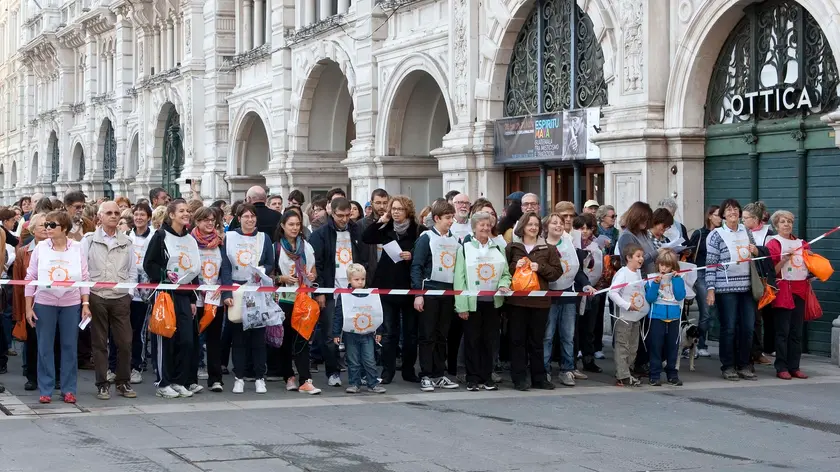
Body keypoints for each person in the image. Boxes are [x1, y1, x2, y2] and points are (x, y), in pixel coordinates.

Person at [25, 210, 91, 404]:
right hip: (45, 302)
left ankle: (68, 389)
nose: (47, 229)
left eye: (52, 225)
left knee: (70, 346)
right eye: (46, 225)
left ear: (64, 228)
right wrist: (29, 307)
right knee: (44, 346)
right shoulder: (41, 248)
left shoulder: (77, 247)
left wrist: (85, 303)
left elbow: (85, 277)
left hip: (71, 303)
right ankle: (45, 389)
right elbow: (30, 278)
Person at [144, 200, 202, 399]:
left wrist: (194, 298)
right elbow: (148, 264)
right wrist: (165, 275)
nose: (186, 214)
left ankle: (179, 380)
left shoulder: (190, 239)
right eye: (181, 211)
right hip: (165, 295)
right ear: (171, 215)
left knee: (186, 340)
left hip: (185, 295)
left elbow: (194, 270)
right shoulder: (160, 236)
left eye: (188, 211)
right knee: (166, 338)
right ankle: (163, 382)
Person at [82, 202, 139, 400]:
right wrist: (86, 298)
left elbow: (133, 270)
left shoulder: (127, 241)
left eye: (116, 213)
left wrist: (129, 293)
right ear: (100, 217)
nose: (114, 216)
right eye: (109, 213)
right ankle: (102, 384)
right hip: (97, 296)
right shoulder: (88, 240)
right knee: (99, 343)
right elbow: (83, 269)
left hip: (120, 297)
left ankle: (123, 382)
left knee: (125, 342)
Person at [362, 195, 420, 384]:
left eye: (399, 209)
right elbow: (366, 237)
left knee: (410, 333)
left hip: (408, 286)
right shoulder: (386, 228)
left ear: (407, 211)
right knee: (389, 332)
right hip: (386, 284)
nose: (395, 212)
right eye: (393, 208)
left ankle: (409, 369)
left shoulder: (418, 230)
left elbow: (425, 255)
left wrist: (412, 255)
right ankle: (387, 371)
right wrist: (381, 220)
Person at [311, 197, 368, 387]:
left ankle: (358, 372)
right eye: (340, 215)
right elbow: (316, 264)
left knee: (357, 331)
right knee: (330, 334)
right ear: (331, 213)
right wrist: (319, 291)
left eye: (347, 215)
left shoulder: (357, 230)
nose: (344, 219)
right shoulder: (320, 234)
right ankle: (333, 371)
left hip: (354, 289)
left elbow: (365, 257)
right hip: (330, 288)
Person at [454, 211, 512, 391]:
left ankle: (487, 377)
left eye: (488, 225)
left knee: (490, 341)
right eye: (482, 225)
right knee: (472, 341)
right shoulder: (464, 248)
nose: (486, 228)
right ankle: (472, 378)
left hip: (492, 303)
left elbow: (505, 273)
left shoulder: (498, 247)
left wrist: (503, 285)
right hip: (472, 303)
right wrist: (461, 306)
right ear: (474, 227)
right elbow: (459, 278)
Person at [505, 211, 563, 391]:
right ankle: (519, 378)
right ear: (522, 226)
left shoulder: (548, 249)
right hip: (517, 303)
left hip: (539, 303)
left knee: (537, 341)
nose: (533, 228)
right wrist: (515, 266)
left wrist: (541, 267)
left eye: (536, 225)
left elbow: (556, 273)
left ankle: (539, 377)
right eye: (529, 224)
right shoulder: (512, 248)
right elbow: (504, 271)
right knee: (517, 341)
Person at [705, 199, 759, 381]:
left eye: (735, 209)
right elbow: (710, 264)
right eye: (728, 210)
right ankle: (728, 366)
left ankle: (744, 364)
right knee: (729, 328)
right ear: (723, 214)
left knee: (748, 327)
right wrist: (710, 289)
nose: (733, 212)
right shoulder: (715, 235)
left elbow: (756, 256)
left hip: (747, 287)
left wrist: (756, 251)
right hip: (725, 288)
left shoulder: (747, 231)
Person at [411, 199, 460, 392]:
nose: (451, 221)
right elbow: (417, 266)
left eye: (452, 218)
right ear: (437, 218)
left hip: (447, 292)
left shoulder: (455, 239)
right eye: (448, 218)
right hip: (429, 291)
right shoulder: (426, 238)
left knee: (442, 335)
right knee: (427, 335)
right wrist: (418, 293)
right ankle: (426, 374)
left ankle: (440, 373)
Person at [226, 203, 275, 394]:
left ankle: (259, 377)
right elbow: (226, 267)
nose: (250, 220)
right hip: (237, 290)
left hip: (257, 291)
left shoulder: (264, 238)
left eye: (252, 216)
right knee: (238, 337)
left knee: (258, 337)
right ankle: (239, 377)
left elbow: (270, 262)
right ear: (239, 218)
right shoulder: (230, 237)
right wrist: (227, 293)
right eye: (245, 216)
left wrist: (262, 271)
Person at [273, 209, 322, 394]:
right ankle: (288, 376)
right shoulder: (276, 247)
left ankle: (305, 379)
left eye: (297, 224)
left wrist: (311, 275)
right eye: (291, 224)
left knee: (302, 338)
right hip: (284, 299)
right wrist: (282, 278)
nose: (294, 228)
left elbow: (314, 270)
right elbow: (269, 275)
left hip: (304, 298)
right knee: (286, 340)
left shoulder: (306, 246)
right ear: (283, 226)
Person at [543, 213, 595, 387]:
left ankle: (567, 369)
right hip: (548, 296)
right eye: (554, 223)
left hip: (568, 295)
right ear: (546, 227)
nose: (559, 225)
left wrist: (586, 284)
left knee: (568, 335)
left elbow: (578, 271)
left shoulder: (569, 245)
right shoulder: (542, 245)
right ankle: (545, 370)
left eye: (561, 223)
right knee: (547, 336)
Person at [190, 206, 233, 392]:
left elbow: (226, 269)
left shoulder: (220, 242)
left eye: (212, 220)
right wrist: (194, 291)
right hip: (196, 298)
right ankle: (190, 378)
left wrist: (225, 292)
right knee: (192, 339)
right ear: (197, 222)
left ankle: (216, 379)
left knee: (215, 339)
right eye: (205, 220)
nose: (209, 223)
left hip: (214, 297)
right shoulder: (190, 242)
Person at [14, 213, 56, 392]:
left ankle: (55, 376)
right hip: (31, 302)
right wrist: (20, 310)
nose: (47, 228)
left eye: (49, 225)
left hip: (53, 300)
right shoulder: (23, 252)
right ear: (32, 230)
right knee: (32, 342)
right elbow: (18, 283)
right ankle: (32, 376)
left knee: (54, 341)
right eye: (42, 226)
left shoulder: (57, 248)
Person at [766, 210, 809, 380]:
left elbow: (809, 267)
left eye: (789, 221)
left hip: (800, 290)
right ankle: (781, 366)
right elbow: (771, 272)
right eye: (783, 222)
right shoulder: (773, 244)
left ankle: (795, 366)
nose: (787, 224)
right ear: (776, 225)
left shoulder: (802, 243)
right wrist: (783, 260)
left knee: (796, 332)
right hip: (783, 291)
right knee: (782, 331)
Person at [332, 264, 387, 394]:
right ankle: (354, 383)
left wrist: (379, 330)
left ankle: (372, 383)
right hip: (350, 334)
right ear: (349, 280)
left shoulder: (370, 294)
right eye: (357, 279)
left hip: (367, 334)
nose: (360, 282)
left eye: (362, 279)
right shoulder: (344, 295)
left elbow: (377, 313)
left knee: (369, 360)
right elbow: (339, 315)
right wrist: (336, 333)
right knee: (353, 361)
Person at [645, 249, 687, 386]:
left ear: (673, 267)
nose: (664, 268)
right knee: (656, 346)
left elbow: (680, 296)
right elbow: (650, 298)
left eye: (667, 265)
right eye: (661, 265)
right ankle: (654, 374)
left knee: (672, 347)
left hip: (674, 316)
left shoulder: (678, 279)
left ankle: (672, 374)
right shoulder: (652, 278)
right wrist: (656, 284)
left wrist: (676, 279)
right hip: (657, 316)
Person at [608, 243, 648, 387]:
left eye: (642, 256)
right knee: (622, 346)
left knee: (633, 347)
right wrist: (626, 305)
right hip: (623, 318)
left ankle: (627, 371)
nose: (641, 259)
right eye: (638, 256)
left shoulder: (637, 273)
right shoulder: (623, 273)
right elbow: (612, 292)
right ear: (628, 257)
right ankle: (622, 376)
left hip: (635, 317)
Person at [743, 201, 775, 366]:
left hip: (759, 279)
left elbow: (769, 256)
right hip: (742, 277)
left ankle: (757, 351)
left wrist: (757, 251)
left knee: (757, 318)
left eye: (746, 218)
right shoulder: (741, 231)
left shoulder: (767, 233)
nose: (743, 221)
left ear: (755, 219)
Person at [572, 213, 605, 373]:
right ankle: (572, 360)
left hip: (592, 291)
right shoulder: (572, 245)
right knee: (574, 328)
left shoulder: (596, 247)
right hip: (575, 291)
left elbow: (598, 268)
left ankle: (588, 358)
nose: (584, 231)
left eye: (587, 228)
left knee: (589, 328)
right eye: (580, 228)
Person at [687, 205, 720, 357]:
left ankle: (701, 342)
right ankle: (700, 344)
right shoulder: (700, 233)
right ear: (709, 216)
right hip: (700, 272)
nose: (720, 218)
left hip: (718, 273)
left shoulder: (722, 234)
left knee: (713, 311)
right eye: (718, 215)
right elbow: (689, 252)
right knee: (706, 309)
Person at [126, 203, 154, 384]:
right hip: (127, 290)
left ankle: (137, 365)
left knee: (139, 332)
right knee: (125, 331)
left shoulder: (154, 236)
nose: (138, 217)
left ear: (149, 217)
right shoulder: (127, 236)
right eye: (136, 214)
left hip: (144, 293)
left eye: (142, 214)